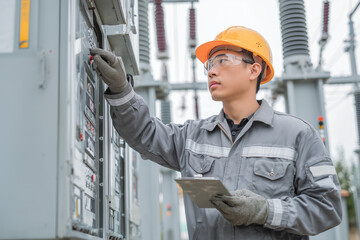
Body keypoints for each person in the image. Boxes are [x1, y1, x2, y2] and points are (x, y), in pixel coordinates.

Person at [90, 26, 342, 240]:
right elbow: (144, 133)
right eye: (210, 64)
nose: (211, 70)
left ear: (254, 70)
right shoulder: (193, 136)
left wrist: (264, 210)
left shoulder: (297, 135)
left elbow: (327, 206)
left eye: (222, 60)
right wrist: (122, 89)